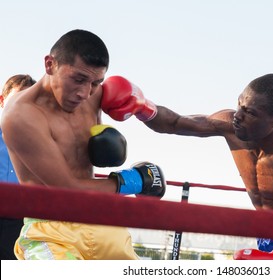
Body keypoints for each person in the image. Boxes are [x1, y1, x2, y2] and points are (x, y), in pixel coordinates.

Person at [100, 74, 273, 260]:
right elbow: (175, 123)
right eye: (239, 105)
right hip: (270, 232)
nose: (238, 115)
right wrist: (142, 107)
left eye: (249, 112)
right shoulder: (230, 126)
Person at [1, 29, 166, 260]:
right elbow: (67, 189)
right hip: (51, 231)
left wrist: (216, 126)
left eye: (96, 83)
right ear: (50, 65)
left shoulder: (92, 93)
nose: (84, 93)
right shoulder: (20, 115)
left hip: (99, 218)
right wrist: (135, 181)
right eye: (78, 79)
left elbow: (168, 119)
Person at [0, 74, 36, 260]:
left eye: (28, 102)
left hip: (21, 222)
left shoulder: (42, 145)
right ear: (2, 100)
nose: (21, 108)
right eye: (16, 99)